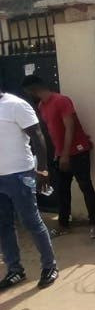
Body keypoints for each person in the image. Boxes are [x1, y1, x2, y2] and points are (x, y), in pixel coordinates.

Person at [21, 76, 95, 239]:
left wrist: (66, 154)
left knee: (85, 186)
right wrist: (58, 154)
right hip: (61, 154)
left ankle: (94, 225)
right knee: (62, 189)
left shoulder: (61, 101)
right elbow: (53, 132)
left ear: (33, 89)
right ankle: (63, 224)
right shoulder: (41, 106)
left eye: (28, 92)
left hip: (78, 152)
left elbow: (70, 127)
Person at [0, 91, 58, 290]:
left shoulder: (16, 105)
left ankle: (49, 266)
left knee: (31, 221)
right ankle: (15, 270)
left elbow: (38, 135)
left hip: (19, 176)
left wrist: (42, 169)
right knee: (3, 225)